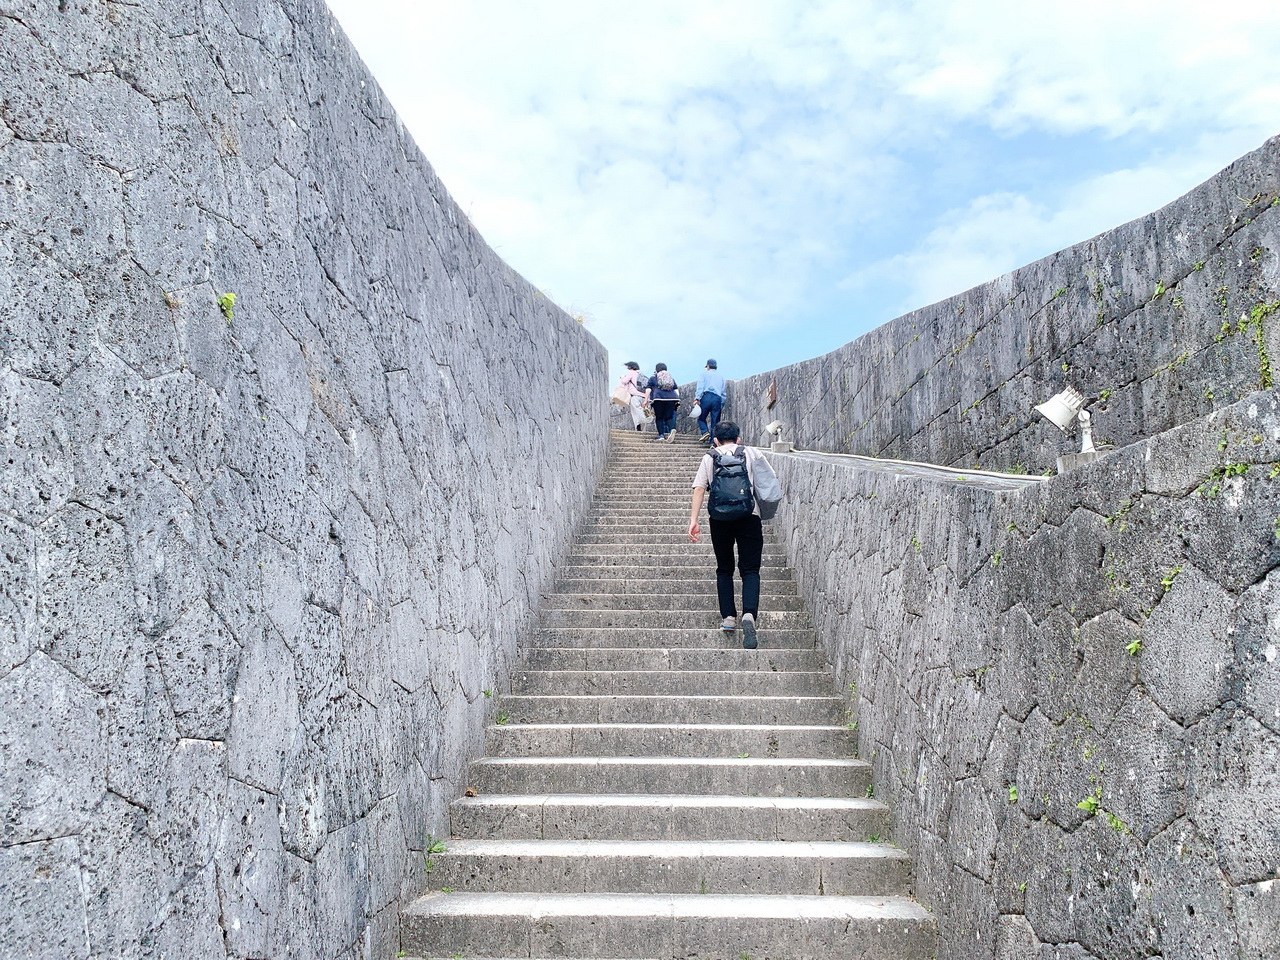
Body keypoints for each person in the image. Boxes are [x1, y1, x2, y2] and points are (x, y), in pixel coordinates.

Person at [687, 421, 767, 649]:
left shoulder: (709, 457)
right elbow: (766, 483)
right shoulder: (750, 453)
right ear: (738, 439)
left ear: (715, 440)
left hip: (719, 519)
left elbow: (699, 488)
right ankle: (749, 615)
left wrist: (693, 520)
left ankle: (729, 618)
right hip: (749, 515)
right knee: (750, 569)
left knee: (724, 568)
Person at [644, 363, 680, 443]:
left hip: (658, 399)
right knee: (669, 417)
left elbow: (648, 389)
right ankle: (672, 430)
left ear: (656, 369)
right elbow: (676, 390)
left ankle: (661, 435)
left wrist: (646, 400)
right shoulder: (670, 378)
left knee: (659, 417)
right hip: (672, 398)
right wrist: (677, 402)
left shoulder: (654, 378)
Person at [694, 359, 725, 444]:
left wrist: (697, 398)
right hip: (717, 398)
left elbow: (700, 386)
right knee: (715, 422)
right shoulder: (720, 376)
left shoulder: (704, 374)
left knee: (701, 418)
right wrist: (722, 404)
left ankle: (705, 432)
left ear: (708, 366)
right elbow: (723, 392)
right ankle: (713, 442)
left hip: (706, 397)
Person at [618, 361, 647, 431]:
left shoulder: (631, 373)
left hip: (635, 396)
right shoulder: (641, 374)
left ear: (632, 367)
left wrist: (622, 377)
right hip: (644, 396)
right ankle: (643, 430)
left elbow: (624, 381)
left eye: (629, 367)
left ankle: (638, 427)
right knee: (642, 412)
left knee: (636, 413)